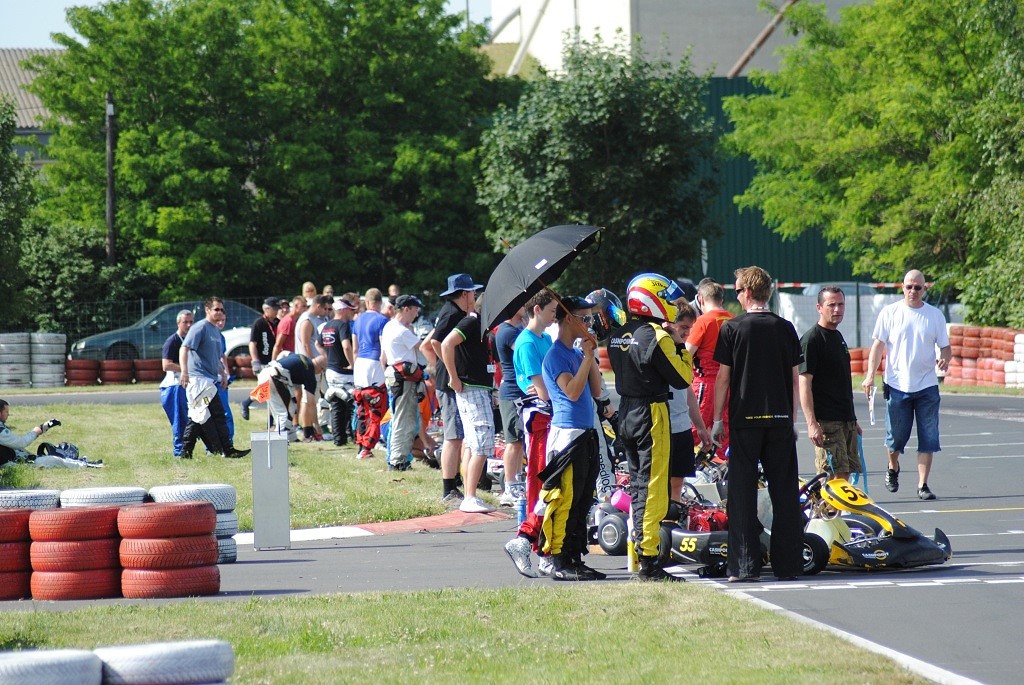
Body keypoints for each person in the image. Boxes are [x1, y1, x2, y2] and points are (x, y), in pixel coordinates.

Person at [711, 266, 803, 582]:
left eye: (738, 291)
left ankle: (744, 566)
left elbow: (723, 379)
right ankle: (788, 565)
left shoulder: (732, 328)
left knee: (742, 496)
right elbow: (794, 379)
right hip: (779, 420)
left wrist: (716, 420)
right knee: (785, 494)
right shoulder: (786, 328)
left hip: (745, 420)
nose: (737, 296)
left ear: (748, 292)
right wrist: (793, 419)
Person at [608, 273, 693, 581]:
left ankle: (642, 551)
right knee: (654, 487)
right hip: (651, 413)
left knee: (637, 485)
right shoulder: (658, 336)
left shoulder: (618, 334)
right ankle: (649, 560)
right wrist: (680, 345)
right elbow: (683, 377)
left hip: (626, 411)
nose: (672, 305)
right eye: (667, 299)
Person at [862, 269, 951, 500]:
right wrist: (870, 375)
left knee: (929, 437)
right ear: (902, 287)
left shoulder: (934, 315)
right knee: (896, 438)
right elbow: (878, 347)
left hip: (927, 386)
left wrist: (945, 358)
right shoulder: (890, 313)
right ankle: (893, 466)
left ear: (924, 289)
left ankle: (923, 485)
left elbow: (945, 346)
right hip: (897, 385)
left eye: (918, 287)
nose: (913, 291)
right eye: (909, 286)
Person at [536, 295, 605, 581]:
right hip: (567, 435)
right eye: (584, 318)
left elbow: (597, 390)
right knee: (565, 499)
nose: (589, 323)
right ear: (568, 318)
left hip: (585, 432)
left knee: (582, 498)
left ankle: (574, 556)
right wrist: (586, 357)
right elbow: (572, 392)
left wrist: (591, 355)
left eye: (591, 318)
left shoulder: (577, 353)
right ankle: (559, 558)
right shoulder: (556, 356)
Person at [503, 289, 558, 578]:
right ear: (537, 309)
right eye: (551, 310)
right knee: (540, 483)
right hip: (539, 419)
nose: (554, 316)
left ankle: (543, 547)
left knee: (552, 484)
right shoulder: (526, 343)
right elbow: (541, 388)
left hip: (551, 417)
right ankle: (532, 544)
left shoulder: (545, 338)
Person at [426, 273, 484, 508]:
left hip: (452, 380)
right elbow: (434, 342)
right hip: (449, 383)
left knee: (460, 435)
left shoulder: (456, 312)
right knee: (454, 435)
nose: (475, 295)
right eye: (473, 292)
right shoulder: (451, 313)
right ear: (464, 293)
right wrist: (452, 370)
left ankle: (456, 481)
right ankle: (448, 487)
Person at [439, 277, 496, 515]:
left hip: (478, 388)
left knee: (474, 443)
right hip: (472, 389)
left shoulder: (476, 323)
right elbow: (445, 344)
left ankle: (470, 493)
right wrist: (453, 376)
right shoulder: (472, 321)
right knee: (482, 441)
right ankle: (470, 496)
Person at [799, 286, 861, 482]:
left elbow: (840, 381)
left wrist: (853, 420)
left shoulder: (838, 336)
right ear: (819, 307)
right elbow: (804, 383)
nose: (837, 309)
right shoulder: (812, 339)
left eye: (841, 304)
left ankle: (836, 506)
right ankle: (823, 503)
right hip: (826, 421)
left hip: (846, 418)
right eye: (831, 305)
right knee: (832, 475)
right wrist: (812, 424)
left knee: (846, 473)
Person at [178, 296, 251, 460]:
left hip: (209, 380)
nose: (220, 312)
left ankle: (192, 452)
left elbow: (216, 357)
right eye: (216, 309)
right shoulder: (200, 327)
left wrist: (223, 374)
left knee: (203, 415)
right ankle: (224, 450)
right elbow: (184, 348)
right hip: (198, 380)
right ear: (207, 310)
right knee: (203, 415)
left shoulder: (215, 331)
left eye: (222, 310)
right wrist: (184, 372)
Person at [664, 303, 712, 501]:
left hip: (681, 425)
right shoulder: (659, 348)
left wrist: (700, 427)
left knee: (678, 483)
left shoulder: (682, 351)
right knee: (659, 482)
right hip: (662, 425)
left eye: (690, 328)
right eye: (683, 327)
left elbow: (688, 390)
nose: (687, 333)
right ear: (669, 324)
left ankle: (675, 515)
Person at [685, 279, 733, 460]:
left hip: (706, 384)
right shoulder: (733, 319)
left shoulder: (703, 321)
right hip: (729, 384)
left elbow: (687, 353)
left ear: (701, 299)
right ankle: (722, 466)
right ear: (722, 299)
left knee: (695, 430)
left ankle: (689, 467)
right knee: (724, 432)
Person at [381, 294, 426, 471]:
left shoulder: (389, 326)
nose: (417, 314)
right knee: (403, 420)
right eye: (415, 310)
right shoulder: (402, 331)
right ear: (406, 309)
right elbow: (423, 348)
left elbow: (383, 357)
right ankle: (398, 461)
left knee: (398, 418)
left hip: (394, 376)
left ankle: (396, 458)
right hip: (404, 379)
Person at [494, 307, 527, 507]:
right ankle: (509, 486)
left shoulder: (516, 329)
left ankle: (516, 482)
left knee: (519, 441)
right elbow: (524, 352)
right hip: (512, 392)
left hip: (519, 391)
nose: (524, 307)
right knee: (513, 441)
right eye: (521, 305)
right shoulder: (507, 331)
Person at [352, 288, 389, 459]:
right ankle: (367, 447)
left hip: (360, 362)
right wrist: (385, 368)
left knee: (361, 407)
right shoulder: (382, 320)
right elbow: (383, 348)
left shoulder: (357, 319)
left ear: (366, 302)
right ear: (380, 303)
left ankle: (361, 444)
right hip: (374, 363)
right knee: (376, 406)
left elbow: (355, 349)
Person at [259, 352, 329, 442]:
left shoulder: (302, 357)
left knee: (291, 408)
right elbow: (311, 403)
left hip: (265, 372)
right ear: (320, 368)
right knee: (284, 414)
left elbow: (284, 353)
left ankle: (291, 437)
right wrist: (316, 424)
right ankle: (278, 441)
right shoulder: (310, 373)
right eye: (322, 371)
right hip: (275, 377)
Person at [318, 296, 357, 446]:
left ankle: (339, 439)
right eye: (351, 310)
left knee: (336, 406)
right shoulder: (342, 325)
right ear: (344, 310)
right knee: (350, 404)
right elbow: (346, 346)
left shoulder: (327, 325)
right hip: (344, 373)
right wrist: (352, 364)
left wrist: (327, 357)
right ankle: (350, 435)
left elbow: (318, 344)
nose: (353, 313)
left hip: (331, 371)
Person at [160, 309, 193, 457]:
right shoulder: (172, 341)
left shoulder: (192, 340)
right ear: (178, 323)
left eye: (191, 322)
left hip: (188, 385)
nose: (189, 325)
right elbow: (166, 365)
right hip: (174, 386)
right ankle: (179, 452)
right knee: (179, 421)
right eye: (185, 322)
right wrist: (186, 369)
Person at [241, 297, 280, 421]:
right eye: (274, 309)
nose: (277, 311)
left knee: (271, 391)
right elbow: (252, 343)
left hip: (274, 361)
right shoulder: (259, 323)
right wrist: (255, 361)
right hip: (263, 361)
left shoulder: (278, 323)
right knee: (266, 390)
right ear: (266, 309)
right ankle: (247, 403)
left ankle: (248, 402)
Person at [0, 400, 60, 465]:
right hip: (11, 464)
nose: (8, 414)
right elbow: (20, 443)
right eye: (6, 412)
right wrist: (37, 431)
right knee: (56, 460)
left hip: (12, 460)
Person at [271, 296, 306, 361]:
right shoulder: (288, 321)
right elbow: (278, 345)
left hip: (292, 357)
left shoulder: (294, 320)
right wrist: (273, 362)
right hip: (286, 358)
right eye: (303, 306)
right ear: (296, 306)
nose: (305, 309)